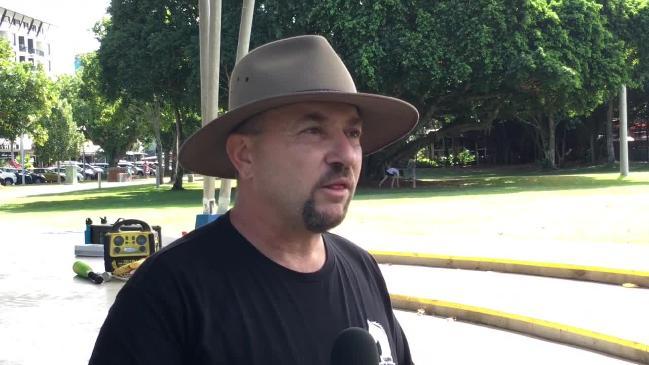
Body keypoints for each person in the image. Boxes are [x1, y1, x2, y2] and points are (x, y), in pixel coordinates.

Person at [89, 35, 419, 365]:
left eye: (353, 133)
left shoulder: (362, 269)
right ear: (245, 155)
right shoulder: (167, 296)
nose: (346, 155)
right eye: (313, 131)